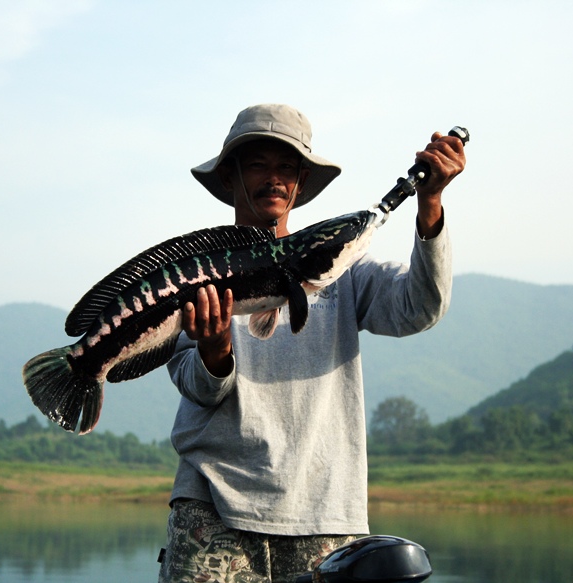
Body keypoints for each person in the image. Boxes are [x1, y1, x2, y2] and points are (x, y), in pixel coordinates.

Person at [157, 104, 466, 583]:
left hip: (326, 515)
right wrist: (214, 350)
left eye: (286, 167)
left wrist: (430, 205)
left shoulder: (343, 271)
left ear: (301, 182)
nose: (273, 178)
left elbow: (420, 307)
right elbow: (200, 389)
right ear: (232, 176)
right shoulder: (197, 273)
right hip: (212, 509)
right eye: (258, 163)